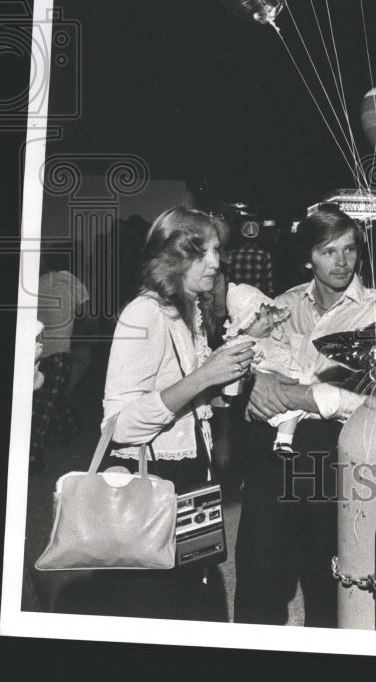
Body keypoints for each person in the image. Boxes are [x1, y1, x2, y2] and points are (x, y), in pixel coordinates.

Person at [56, 207, 255, 621]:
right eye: (209, 253)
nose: (218, 264)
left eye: (218, 252)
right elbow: (119, 425)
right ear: (178, 256)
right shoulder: (143, 314)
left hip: (189, 478)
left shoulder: (188, 312)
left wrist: (221, 379)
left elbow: (191, 392)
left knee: (190, 592)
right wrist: (203, 377)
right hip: (152, 481)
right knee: (150, 604)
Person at [234, 203, 376, 628]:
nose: (343, 262)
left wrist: (297, 394)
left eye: (350, 250)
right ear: (307, 257)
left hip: (334, 457)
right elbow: (250, 363)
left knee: (328, 578)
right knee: (259, 571)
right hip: (273, 457)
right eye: (328, 251)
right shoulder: (280, 306)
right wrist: (254, 383)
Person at [222, 282, 301, 456]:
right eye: (257, 318)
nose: (266, 320)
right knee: (291, 411)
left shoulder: (273, 337)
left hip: (288, 382)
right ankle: (282, 442)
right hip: (266, 396)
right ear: (243, 324)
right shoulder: (243, 343)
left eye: (267, 313)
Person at [30, 251, 90, 472]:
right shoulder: (74, 283)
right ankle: (33, 457)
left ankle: (69, 431)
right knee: (47, 402)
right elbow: (88, 316)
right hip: (60, 353)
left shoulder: (36, 283)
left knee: (45, 399)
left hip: (36, 350)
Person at [226, 220, 274, 297]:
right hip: (256, 300)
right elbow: (268, 286)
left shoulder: (231, 254)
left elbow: (228, 283)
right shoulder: (264, 255)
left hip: (237, 299)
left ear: (241, 236)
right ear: (258, 237)